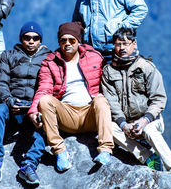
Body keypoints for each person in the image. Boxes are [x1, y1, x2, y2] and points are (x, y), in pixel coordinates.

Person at [28, 22, 114, 172]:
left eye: (72, 40)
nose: (67, 44)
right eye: (63, 40)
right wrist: (33, 110)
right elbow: (44, 88)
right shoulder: (50, 62)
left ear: (79, 41)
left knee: (100, 99)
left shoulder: (94, 57)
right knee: (45, 100)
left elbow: (109, 83)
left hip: (90, 114)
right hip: (66, 115)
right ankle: (60, 151)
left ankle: (105, 150)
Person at [101, 27, 171, 175]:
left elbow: (158, 99)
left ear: (134, 44)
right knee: (108, 128)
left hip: (150, 120)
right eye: (118, 44)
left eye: (125, 44)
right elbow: (111, 101)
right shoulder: (108, 71)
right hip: (126, 123)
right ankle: (148, 157)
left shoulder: (146, 67)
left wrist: (145, 120)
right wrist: (123, 124)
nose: (122, 48)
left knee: (149, 130)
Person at [0, 22, 51, 186]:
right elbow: (1, 84)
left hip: (34, 105)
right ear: (21, 38)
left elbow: (51, 86)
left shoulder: (49, 57)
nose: (31, 41)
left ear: (40, 40)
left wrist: (35, 106)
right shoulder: (8, 55)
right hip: (12, 104)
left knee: (48, 117)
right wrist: (8, 100)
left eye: (35, 38)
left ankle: (29, 165)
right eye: (27, 37)